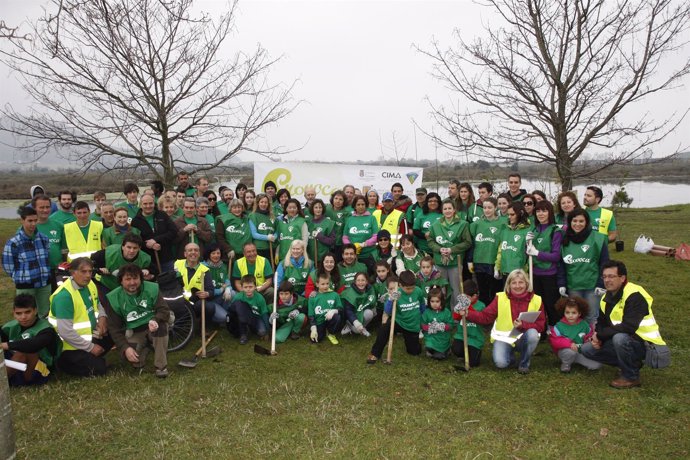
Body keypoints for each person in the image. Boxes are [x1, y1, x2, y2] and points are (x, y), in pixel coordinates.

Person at [581, 260, 667, 389]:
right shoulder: (606, 297)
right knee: (586, 349)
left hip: (647, 344)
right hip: (627, 340)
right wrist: (596, 336)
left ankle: (631, 377)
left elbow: (628, 326)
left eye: (611, 276)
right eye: (604, 277)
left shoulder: (635, 295)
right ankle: (630, 363)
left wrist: (601, 336)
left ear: (622, 278)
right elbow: (602, 322)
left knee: (619, 338)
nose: (607, 280)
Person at [461, 269, 545, 374]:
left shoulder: (537, 300)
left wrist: (523, 325)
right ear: (508, 284)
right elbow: (485, 316)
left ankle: (524, 364)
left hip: (523, 338)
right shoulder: (500, 298)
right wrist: (468, 313)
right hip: (504, 338)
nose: (517, 286)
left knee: (533, 334)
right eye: (514, 283)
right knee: (501, 364)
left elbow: (541, 325)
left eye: (521, 282)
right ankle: (510, 357)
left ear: (527, 284)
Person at [48, 257, 113, 377]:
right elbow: (65, 332)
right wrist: (91, 347)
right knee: (100, 369)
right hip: (68, 346)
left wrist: (103, 319)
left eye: (90, 271)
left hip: (89, 336)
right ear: (72, 273)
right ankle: (63, 364)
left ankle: (92, 357)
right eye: (83, 271)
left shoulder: (90, 284)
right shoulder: (64, 297)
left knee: (115, 330)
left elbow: (98, 303)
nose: (88, 275)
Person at [106, 264, 170, 378]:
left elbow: (164, 310)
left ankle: (161, 366)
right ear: (121, 281)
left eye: (135, 278)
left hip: (153, 326)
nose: (132, 282)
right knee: (132, 360)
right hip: (134, 331)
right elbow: (114, 328)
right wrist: (125, 347)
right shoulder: (114, 298)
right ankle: (145, 347)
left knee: (161, 328)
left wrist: (155, 320)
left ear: (141, 279)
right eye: (128, 279)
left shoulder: (152, 288)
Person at [558, 209, 609, 324]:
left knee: (592, 316)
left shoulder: (598, 238)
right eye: (574, 221)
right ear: (569, 222)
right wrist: (561, 283)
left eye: (581, 221)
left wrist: (602, 283)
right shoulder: (564, 239)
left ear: (587, 222)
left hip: (592, 285)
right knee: (575, 315)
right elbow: (561, 265)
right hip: (573, 285)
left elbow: (605, 263)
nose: (577, 224)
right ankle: (579, 339)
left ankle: (594, 340)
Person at [3, 207, 52, 317]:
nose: (33, 224)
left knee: (44, 313)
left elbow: (47, 257)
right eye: (30, 221)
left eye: (35, 220)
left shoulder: (44, 238)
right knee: (25, 314)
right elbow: (8, 266)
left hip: (44, 283)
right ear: (22, 220)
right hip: (25, 285)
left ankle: (43, 333)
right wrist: (20, 277)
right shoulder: (13, 242)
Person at [367, 271, 425, 364]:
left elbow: (422, 306)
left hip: (412, 325)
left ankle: (415, 343)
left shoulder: (418, 291)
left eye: (412, 287)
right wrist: (390, 299)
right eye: (408, 288)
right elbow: (388, 311)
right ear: (400, 285)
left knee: (414, 352)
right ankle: (375, 354)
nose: (410, 290)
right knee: (384, 329)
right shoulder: (396, 293)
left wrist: (424, 320)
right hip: (398, 322)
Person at [1, 294, 60, 386]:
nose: (23, 317)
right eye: (18, 313)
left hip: (37, 369)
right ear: (13, 313)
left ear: (35, 311)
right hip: (15, 365)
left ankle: (2, 383)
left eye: (27, 312)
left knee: (25, 351)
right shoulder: (9, 327)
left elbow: (33, 345)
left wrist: (5, 345)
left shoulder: (46, 329)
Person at [525, 200, 562, 328]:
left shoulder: (555, 231)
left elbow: (556, 256)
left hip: (549, 274)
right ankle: (540, 328)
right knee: (537, 303)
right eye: (538, 211)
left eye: (544, 211)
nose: (541, 214)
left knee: (551, 303)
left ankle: (554, 328)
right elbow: (527, 253)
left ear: (550, 212)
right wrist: (527, 244)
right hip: (534, 273)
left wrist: (537, 253)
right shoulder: (533, 229)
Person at [427, 198, 471, 301]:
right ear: (442, 210)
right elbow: (430, 241)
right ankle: (441, 312)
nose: (447, 211)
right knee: (441, 290)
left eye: (450, 208)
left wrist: (452, 250)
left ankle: (455, 314)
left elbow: (467, 242)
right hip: (439, 262)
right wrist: (439, 249)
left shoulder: (463, 224)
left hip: (455, 262)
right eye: (445, 209)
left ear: (454, 209)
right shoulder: (435, 225)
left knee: (456, 290)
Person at [175, 242, 226, 326]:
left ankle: (202, 326)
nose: (193, 252)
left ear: (199, 254)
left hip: (194, 304)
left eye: (196, 250)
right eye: (190, 250)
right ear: (185, 254)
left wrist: (207, 293)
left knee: (209, 307)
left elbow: (211, 291)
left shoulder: (205, 270)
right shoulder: (177, 264)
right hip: (178, 302)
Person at [548, 296, 602, 373]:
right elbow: (554, 341)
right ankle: (566, 364)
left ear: (579, 313)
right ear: (563, 312)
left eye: (574, 313)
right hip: (566, 351)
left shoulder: (584, 324)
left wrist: (590, 339)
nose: (570, 315)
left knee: (597, 365)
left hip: (580, 352)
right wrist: (569, 344)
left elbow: (590, 335)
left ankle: (576, 360)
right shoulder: (559, 326)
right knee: (570, 352)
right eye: (567, 312)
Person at [469, 197, 503, 306]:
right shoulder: (477, 224)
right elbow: (472, 243)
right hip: (479, 260)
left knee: (495, 291)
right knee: (482, 291)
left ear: (495, 208)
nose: (487, 210)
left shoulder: (502, 223)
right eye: (484, 208)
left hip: (494, 262)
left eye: (490, 207)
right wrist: (470, 261)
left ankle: (494, 315)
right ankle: (483, 315)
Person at [131, 194, 178, 274]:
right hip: (148, 261)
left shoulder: (162, 215)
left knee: (170, 282)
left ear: (154, 203)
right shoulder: (135, 221)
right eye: (145, 204)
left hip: (166, 258)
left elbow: (173, 231)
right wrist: (149, 245)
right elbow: (136, 241)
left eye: (150, 203)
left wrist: (156, 240)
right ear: (140, 205)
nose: (148, 206)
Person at [33, 194, 67, 289]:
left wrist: (64, 264)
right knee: (43, 301)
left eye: (47, 207)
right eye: (41, 207)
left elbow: (64, 249)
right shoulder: (29, 228)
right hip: (39, 272)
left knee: (59, 297)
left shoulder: (58, 225)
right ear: (34, 208)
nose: (45, 210)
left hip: (58, 271)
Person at [451, 280, 486, 367]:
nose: (464, 299)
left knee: (474, 363)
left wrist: (468, 308)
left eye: (467, 297)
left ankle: (475, 352)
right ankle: (462, 354)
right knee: (456, 349)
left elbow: (479, 318)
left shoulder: (481, 306)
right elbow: (455, 317)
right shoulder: (461, 304)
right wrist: (459, 312)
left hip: (475, 337)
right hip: (462, 335)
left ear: (474, 296)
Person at [494, 202, 531, 282]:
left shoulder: (528, 230)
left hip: (520, 274)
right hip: (505, 271)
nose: (509, 217)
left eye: (512, 214)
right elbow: (501, 250)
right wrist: (497, 266)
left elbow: (529, 255)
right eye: (508, 214)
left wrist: (525, 271)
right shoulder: (505, 230)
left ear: (520, 214)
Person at [342, 194, 379, 273]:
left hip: (368, 256)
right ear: (354, 206)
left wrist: (363, 244)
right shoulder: (350, 219)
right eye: (358, 204)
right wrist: (352, 247)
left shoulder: (372, 218)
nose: (361, 206)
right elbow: (345, 237)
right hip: (352, 257)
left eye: (363, 204)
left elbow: (376, 236)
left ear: (366, 205)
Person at [307, 272, 343, 345]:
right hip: (319, 321)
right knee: (315, 340)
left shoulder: (334, 295)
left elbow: (340, 308)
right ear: (317, 284)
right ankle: (321, 331)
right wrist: (313, 328)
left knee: (337, 317)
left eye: (327, 283)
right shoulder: (313, 297)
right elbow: (311, 315)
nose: (325, 286)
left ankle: (331, 333)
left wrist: (333, 311)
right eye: (322, 284)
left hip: (330, 319)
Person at [340, 271, 377, 337]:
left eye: (363, 280)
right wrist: (355, 322)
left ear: (366, 281)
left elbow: (372, 303)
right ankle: (349, 326)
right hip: (351, 316)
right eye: (358, 280)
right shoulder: (350, 293)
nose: (360, 283)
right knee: (357, 331)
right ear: (355, 282)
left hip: (362, 311)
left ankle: (362, 327)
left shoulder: (370, 289)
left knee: (371, 312)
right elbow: (348, 310)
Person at [421, 287, 453, 360]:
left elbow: (451, 325)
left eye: (437, 301)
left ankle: (447, 350)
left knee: (439, 357)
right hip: (431, 337)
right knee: (429, 346)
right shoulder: (427, 312)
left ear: (441, 301)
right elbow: (422, 325)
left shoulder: (446, 312)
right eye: (432, 301)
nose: (434, 304)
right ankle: (431, 350)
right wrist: (430, 327)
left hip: (443, 338)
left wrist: (442, 327)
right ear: (429, 301)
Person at [276, 198, 309, 263]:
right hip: (282, 255)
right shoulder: (280, 221)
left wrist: (302, 253)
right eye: (290, 207)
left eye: (294, 207)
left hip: (297, 256)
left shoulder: (302, 221)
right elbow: (278, 240)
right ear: (286, 208)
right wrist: (277, 253)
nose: (292, 209)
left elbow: (305, 240)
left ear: (298, 209)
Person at [248, 193, 278, 261]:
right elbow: (254, 234)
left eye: (266, 202)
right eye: (262, 202)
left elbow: (277, 230)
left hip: (271, 247)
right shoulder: (253, 216)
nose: (264, 204)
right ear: (258, 203)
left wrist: (274, 237)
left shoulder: (272, 216)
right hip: (259, 248)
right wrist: (267, 237)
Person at [306, 198, 336, 263]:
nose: (318, 209)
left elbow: (332, 241)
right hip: (309, 258)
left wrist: (320, 237)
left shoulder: (329, 223)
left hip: (324, 259)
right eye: (316, 207)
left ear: (323, 209)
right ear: (312, 209)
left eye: (320, 207)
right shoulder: (307, 223)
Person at [412, 192, 442, 256]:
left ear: (439, 202)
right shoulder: (421, 214)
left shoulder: (443, 214)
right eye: (430, 201)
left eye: (435, 201)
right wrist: (425, 236)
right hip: (424, 249)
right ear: (426, 203)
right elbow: (415, 230)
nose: (433, 203)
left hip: (440, 249)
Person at [326, 190, 351, 257]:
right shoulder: (326, 209)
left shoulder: (346, 213)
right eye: (336, 198)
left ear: (344, 202)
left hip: (339, 244)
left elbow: (347, 229)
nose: (338, 201)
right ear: (332, 199)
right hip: (326, 243)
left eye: (340, 199)